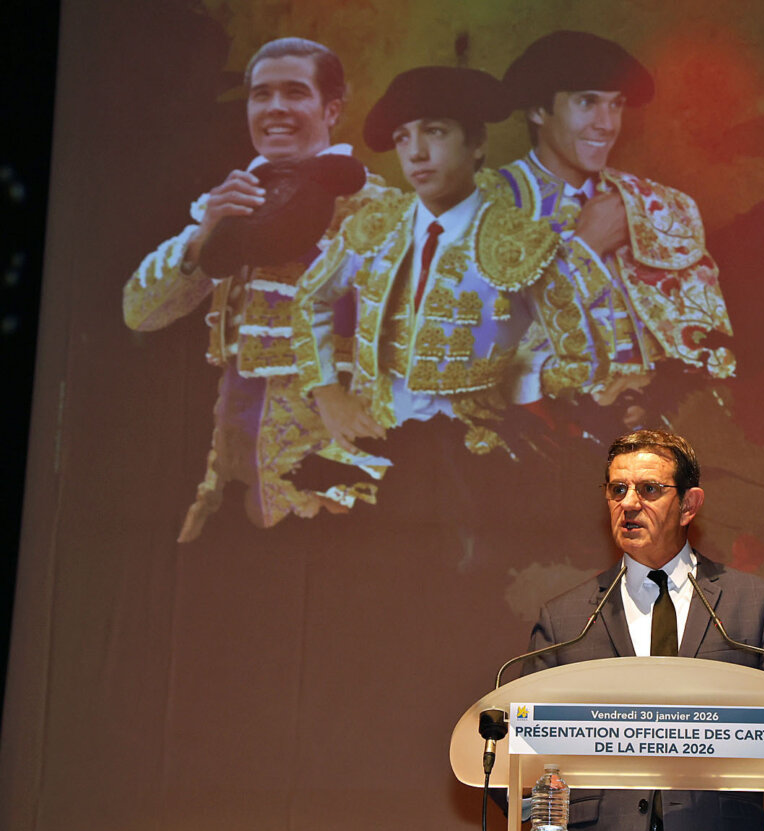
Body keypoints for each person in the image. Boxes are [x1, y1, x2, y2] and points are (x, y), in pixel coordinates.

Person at [122, 37, 392, 541]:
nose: (275, 108)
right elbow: (141, 312)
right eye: (261, 94)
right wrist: (205, 235)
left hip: (338, 488)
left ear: (332, 110)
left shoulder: (378, 212)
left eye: (295, 92)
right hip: (232, 481)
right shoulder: (232, 203)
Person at [291, 65, 604, 464]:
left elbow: (580, 360)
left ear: (477, 144)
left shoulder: (521, 241)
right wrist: (328, 394)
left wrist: (512, 385)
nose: (416, 153)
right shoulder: (376, 225)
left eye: (435, 132)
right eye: (402, 138)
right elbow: (310, 297)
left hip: (480, 454)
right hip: (374, 444)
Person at [524, 429, 764, 831]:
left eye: (649, 490)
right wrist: (546, 820)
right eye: (617, 489)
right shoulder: (566, 619)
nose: (628, 503)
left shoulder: (755, 605)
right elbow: (517, 746)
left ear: (689, 505)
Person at [498, 31, 736, 416]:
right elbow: (472, 357)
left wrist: (654, 390)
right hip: (537, 439)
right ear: (538, 110)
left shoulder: (661, 207)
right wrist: (585, 249)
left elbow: (715, 350)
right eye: (587, 102)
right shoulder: (482, 209)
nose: (607, 124)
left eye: (617, 105)